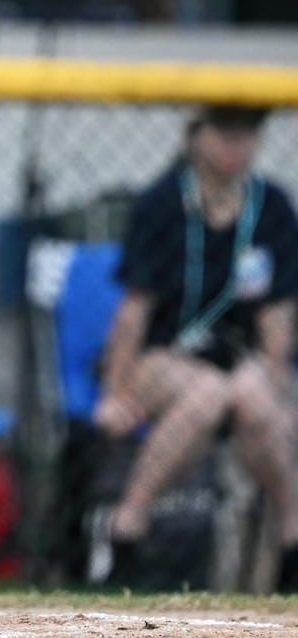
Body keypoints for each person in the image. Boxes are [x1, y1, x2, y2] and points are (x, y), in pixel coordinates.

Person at [93, 105, 298, 591]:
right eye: (224, 132)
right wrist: (115, 392)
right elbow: (134, 311)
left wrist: (277, 382)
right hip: (165, 356)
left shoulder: (271, 206)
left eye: (247, 133)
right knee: (208, 393)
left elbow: (276, 314)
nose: (235, 145)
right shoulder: (163, 203)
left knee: (251, 396)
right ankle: (128, 525)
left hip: (240, 359)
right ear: (195, 136)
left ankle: (292, 536)